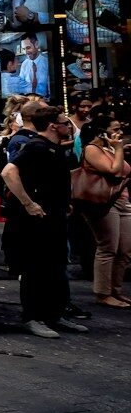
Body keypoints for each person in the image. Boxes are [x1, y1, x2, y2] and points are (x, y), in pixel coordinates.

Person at [2, 102, 88, 338]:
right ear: (52, 126)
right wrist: (28, 203)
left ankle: (55, 314)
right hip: (36, 221)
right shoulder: (35, 147)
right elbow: (8, 172)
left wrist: (65, 201)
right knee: (36, 269)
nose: (68, 127)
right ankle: (33, 317)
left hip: (56, 216)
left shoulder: (54, 148)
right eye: (64, 123)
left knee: (56, 267)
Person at [79, 114, 131, 308]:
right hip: (103, 202)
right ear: (102, 132)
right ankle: (103, 293)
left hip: (122, 201)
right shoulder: (92, 149)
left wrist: (119, 150)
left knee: (125, 249)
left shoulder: (110, 148)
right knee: (108, 247)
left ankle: (116, 289)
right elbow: (114, 171)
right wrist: (118, 150)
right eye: (115, 129)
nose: (120, 133)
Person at [17, 33, 51, 99]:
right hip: (27, 100)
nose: (26, 52)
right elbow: (21, 84)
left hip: (43, 100)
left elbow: (51, 88)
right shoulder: (24, 64)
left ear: (36, 44)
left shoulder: (47, 62)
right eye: (24, 49)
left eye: (28, 48)